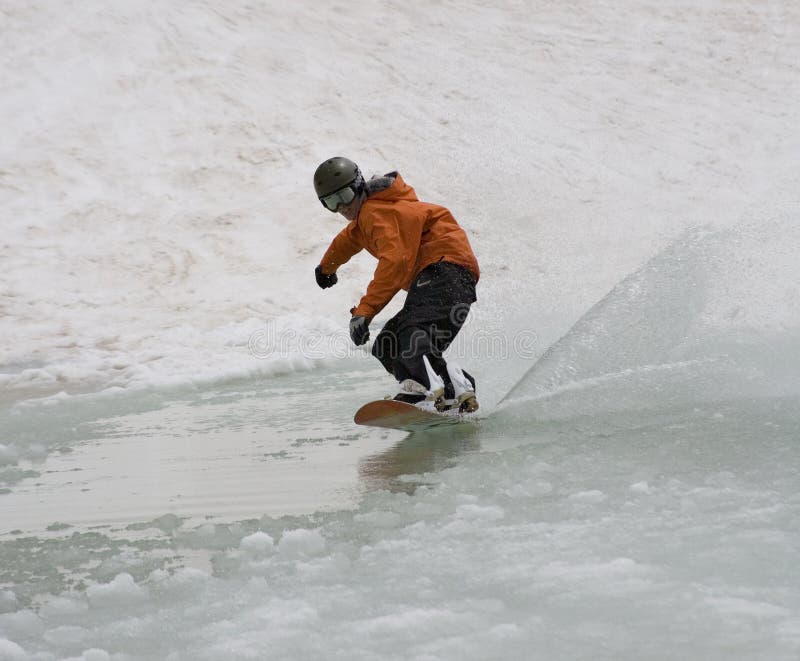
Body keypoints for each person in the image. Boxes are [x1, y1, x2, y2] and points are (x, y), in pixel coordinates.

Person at [313, 156, 480, 413]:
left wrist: (365, 312)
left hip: (445, 268)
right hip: (444, 278)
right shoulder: (365, 217)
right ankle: (451, 389)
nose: (342, 207)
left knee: (411, 335)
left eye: (345, 195)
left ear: (358, 185)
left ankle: (429, 388)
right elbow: (345, 241)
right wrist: (326, 268)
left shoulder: (375, 211)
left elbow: (395, 261)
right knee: (387, 343)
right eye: (331, 202)